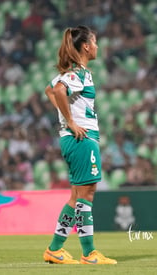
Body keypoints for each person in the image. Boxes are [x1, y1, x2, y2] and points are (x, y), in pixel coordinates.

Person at [42, 26, 116, 265]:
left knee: (76, 196)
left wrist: (64, 120)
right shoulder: (78, 73)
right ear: (85, 46)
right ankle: (89, 253)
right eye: (94, 42)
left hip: (73, 139)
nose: (96, 46)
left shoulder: (76, 71)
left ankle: (54, 249)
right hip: (82, 139)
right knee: (87, 194)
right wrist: (71, 122)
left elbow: (50, 89)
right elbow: (59, 90)